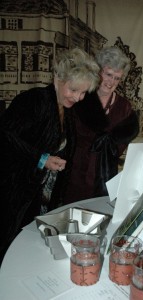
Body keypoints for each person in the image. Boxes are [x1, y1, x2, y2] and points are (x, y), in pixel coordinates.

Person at [0, 48, 100, 264]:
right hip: (15, 195)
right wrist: (41, 158)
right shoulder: (34, 100)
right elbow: (5, 136)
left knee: (27, 254)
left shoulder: (66, 108)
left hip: (41, 196)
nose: (78, 97)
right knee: (8, 251)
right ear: (58, 77)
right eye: (74, 90)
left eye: (83, 93)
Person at [64, 46, 139, 203]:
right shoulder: (80, 98)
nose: (111, 82)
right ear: (98, 72)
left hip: (105, 178)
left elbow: (120, 145)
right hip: (74, 176)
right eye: (108, 74)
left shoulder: (124, 107)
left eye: (117, 78)